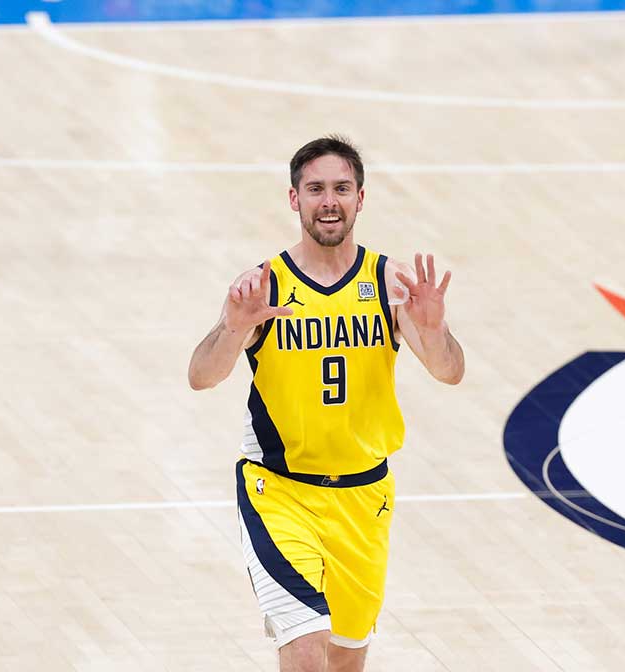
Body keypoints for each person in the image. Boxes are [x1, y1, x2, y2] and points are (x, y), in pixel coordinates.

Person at [188, 136, 465, 672]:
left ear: (361, 198)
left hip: (365, 495)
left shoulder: (390, 283)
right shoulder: (265, 285)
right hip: (279, 492)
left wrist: (433, 331)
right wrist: (232, 326)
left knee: (346, 657)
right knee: (305, 649)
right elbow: (201, 375)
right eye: (315, 189)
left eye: (341, 188)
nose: (329, 201)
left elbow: (449, 371)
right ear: (294, 199)